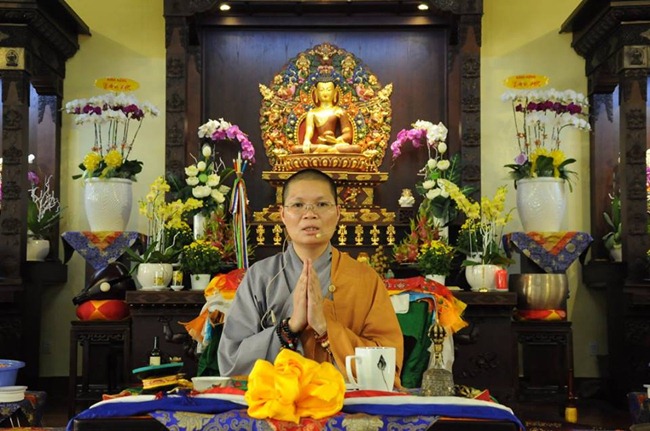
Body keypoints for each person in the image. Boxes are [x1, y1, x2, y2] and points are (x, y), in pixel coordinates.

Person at [218, 168, 404, 386]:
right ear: (282, 214)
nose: (310, 214)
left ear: (338, 213)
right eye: (298, 205)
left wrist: (325, 327)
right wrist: (289, 328)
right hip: (276, 400)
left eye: (322, 204)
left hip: (345, 401)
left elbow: (387, 364)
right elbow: (232, 362)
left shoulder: (365, 279)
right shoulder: (259, 277)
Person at [292, 79, 361, 154]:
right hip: (320, 143)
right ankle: (327, 150)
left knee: (356, 148)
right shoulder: (312, 113)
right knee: (295, 149)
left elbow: (347, 134)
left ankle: (326, 150)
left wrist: (336, 141)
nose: (325, 93)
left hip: (336, 144)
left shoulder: (340, 111)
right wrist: (307, 140)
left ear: (335, 92)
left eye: (329, 90)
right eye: (321, 90)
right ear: (316, 93)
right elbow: (309, 130)